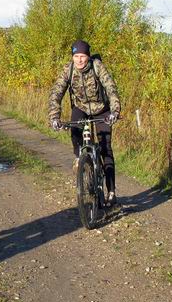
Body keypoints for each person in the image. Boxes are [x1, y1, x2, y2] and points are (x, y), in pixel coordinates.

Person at [48, 39, 122, 205]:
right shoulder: (69, 69)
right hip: (81, 107)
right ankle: (79, 158)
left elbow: (111, 88)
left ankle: (111, 191)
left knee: (105, 148)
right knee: (74, 130)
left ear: (88, 57)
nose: (79, 60)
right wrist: (54, 117)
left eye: (83, 56)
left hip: (101, 109)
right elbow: (56, 93)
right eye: (76, 56)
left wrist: (115, 111)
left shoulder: (97, 66)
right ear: (73, 57)